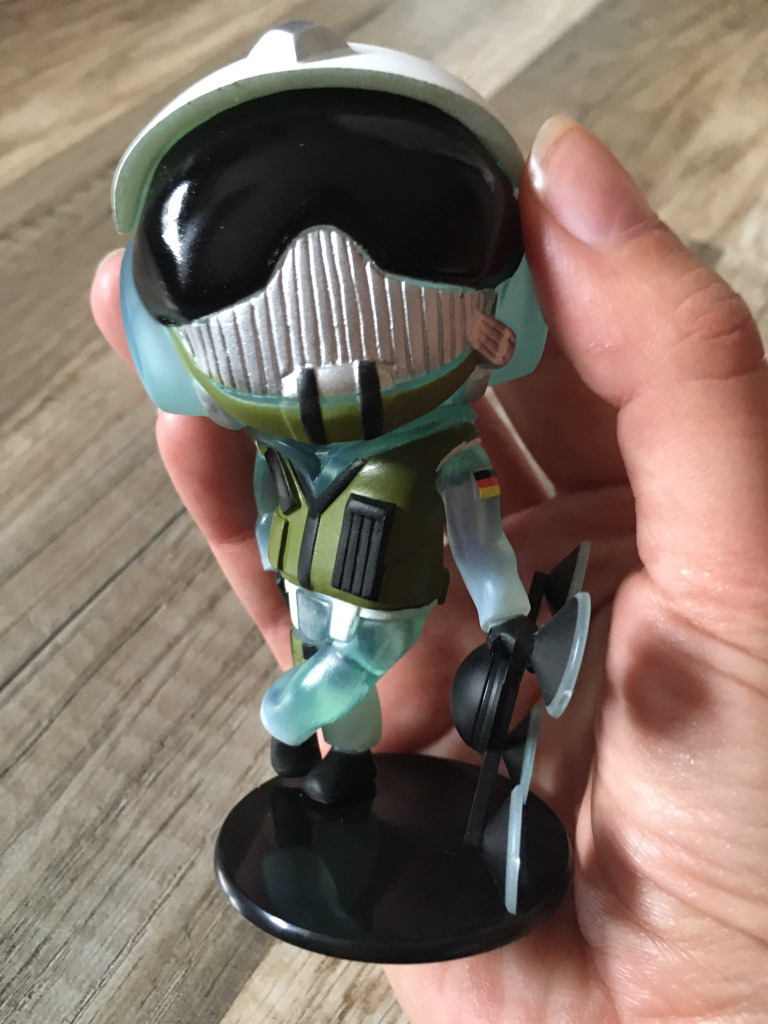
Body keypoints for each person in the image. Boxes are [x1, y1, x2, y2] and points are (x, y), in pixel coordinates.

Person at [92, 117, 768, 1022]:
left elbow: (481, 539)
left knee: (304, 696)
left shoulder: (444, 446)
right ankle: (341, 775)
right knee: (342, 703)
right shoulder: (278, 452)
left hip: (387, 611)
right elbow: (266, 514)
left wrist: (504, 613)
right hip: (309, 591)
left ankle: (297, 744)